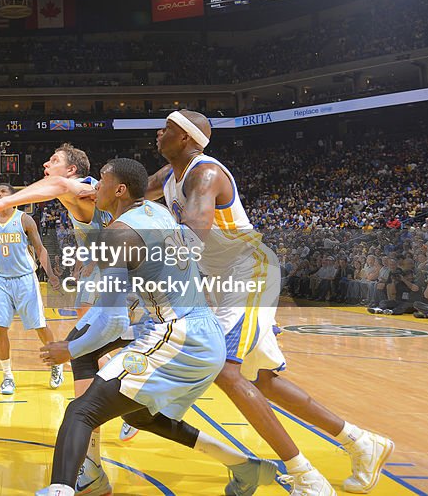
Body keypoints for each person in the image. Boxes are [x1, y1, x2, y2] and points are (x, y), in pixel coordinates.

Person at [148, 110, 393, 495]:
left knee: (225, 372)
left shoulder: (205, 173)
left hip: (246, 275)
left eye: (168, 129)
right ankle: (361, 442)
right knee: (263, 381)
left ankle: (305, 477)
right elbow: (129, 194)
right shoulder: (169, 175)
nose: (158, 132)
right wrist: (82, 189)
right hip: (220, 279)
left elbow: (192, 234)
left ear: (186, 139)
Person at [38, 158, 277, 496]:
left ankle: (65, 488)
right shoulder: (159, 213)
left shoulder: (116, 234)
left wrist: (70, 349)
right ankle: (244, 466)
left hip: (178, 336)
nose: (95, 189)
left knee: (81, 410)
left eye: (101, 182)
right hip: (204, 334)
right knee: (139, 416)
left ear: (120, 190)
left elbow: (113, 320)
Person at [0, 144, 135, 495]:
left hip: (130, 282)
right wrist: (90, 256)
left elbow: (58, 188)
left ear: (72, 170)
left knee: (92, 354)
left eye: (54, 160)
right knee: (91, 357)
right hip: (114, 277)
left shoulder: (82, 187)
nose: (45, 163)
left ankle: (132, 401)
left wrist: (2, 202)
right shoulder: (95, 192)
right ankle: (94, 462)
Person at [0, 184, 63, 395]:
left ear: (13, 198)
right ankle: (7, 376)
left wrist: (50, 275)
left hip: (25, 279)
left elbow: (40, 249)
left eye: (3, 192)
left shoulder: (24, 219)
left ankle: (56, 364)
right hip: (1, 281)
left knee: (39, 325)